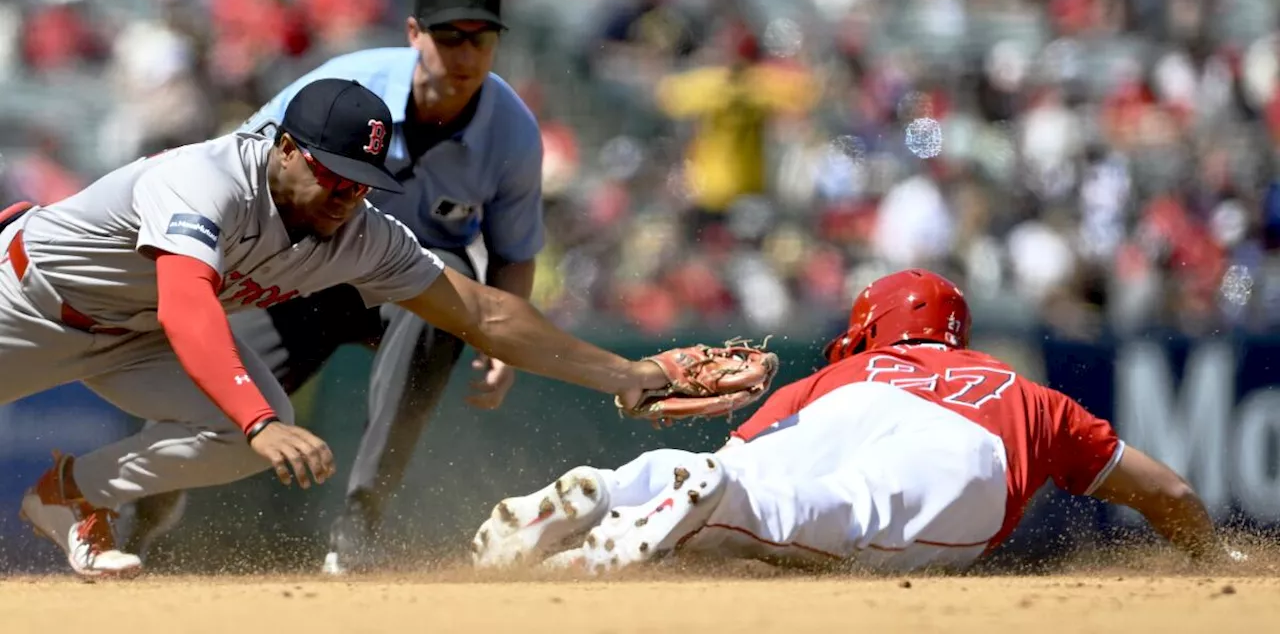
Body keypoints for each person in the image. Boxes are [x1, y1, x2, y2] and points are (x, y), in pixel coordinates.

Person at [1, 77, 673, 578]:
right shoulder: (205, 179)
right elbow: (186, 306)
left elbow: (482, 313)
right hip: (27, 301)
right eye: (334, 175)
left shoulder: (361, 233)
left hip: (134, 335)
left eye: (362, 183)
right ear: (287, 149)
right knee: (260, 422)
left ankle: (69, 492)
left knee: (246, 433)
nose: (347, 196)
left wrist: (632, 374)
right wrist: (262, 422)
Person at [123, 0, 546, 575]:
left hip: (404, 289)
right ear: (413, 33)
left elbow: (513, 253)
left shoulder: (512, 132)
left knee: (449, 273)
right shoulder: (342, 87)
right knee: (202, 396)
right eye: (449, 34)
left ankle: (360, 524)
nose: (465, 52)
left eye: (479, 37)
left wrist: (508, 344)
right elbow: (235, 169)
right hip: (294, 276)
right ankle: (135, 523)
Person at [471, 269, 1239, 574]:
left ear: (872, 328)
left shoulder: (836, 371)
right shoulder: (1022, 390)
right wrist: (1210, 557)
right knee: (835, 512)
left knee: (744, 482)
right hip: (966, 448)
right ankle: (701, 502)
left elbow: (743, 448)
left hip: (835, 411)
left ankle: (611, 488)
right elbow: (1165, 492)